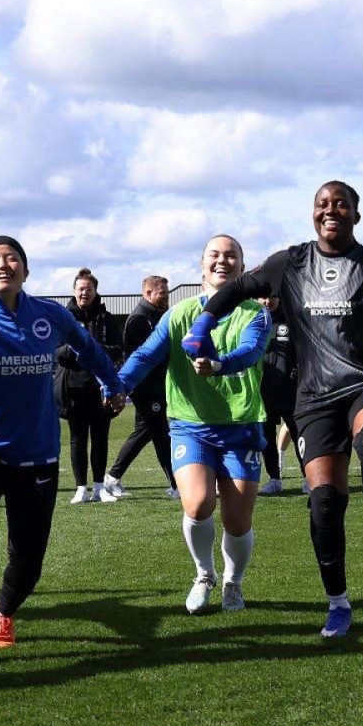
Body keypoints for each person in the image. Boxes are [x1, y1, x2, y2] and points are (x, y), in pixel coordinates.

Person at [190, 181, 363, 639]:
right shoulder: (292, 261)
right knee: (324, 501)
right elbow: (238, 288)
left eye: (341, 204)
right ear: (313, 214)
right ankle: (338, 603)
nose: (332, 211)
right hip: (315, 395)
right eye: (323, 204)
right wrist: (205, 321)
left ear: (356, 215)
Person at [0, 236, 121, 659]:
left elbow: (87, 349)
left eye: (12, 257)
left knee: (30, 556)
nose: (3, 264)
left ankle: (3, 611)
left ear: (26, 269)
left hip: (36, 450)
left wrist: (112, 383)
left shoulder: (50, 314)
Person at [116, 235, 272, 613]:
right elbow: (147, 354)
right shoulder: (179, 313)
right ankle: (204, 575)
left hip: (241, 426)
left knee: (237, 521)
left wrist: (218, 364)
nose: (223, 261)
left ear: (242, 266)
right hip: (190, 423)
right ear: (201, 265)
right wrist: (118, 385)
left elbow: (250, 352)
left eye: (231, 255)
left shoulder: (256, 313)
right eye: (214, 255)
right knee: (199, 502)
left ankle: (233, 584)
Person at [102, 274, 179, 502]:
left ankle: (113, 477)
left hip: (156, 386)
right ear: (148, 293)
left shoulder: (157, 316)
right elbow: (143, 357)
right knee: (161, 435)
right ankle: (176, 485)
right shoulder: (139, 319)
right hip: (146, 387)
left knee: (145, 432)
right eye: (162, 294)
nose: (166, 298)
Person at [57, 269, 120, 504]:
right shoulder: (63, 317)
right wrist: (75, 351)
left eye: (89, 289)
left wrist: (95, 351)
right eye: (81, 289)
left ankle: (99, 487)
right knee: (77, 439)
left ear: (96, 291)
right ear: (74, 291)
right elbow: (56, 351)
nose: (85, 293)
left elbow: (118, 349)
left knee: (100, 438)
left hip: (101, 388)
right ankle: (80, 488)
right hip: (73, 387)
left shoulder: (106, 318)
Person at [258, 298, 296, 496]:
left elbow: (303, 352)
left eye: (270, 297)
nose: (266, 301)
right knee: (267, 437)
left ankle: (309, 478)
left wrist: (295, 374)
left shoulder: (291, 319)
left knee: (298, 433)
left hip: (290, 389)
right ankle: (274, 479)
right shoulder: (253, 321)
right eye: (262, 297)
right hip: (264, 391)